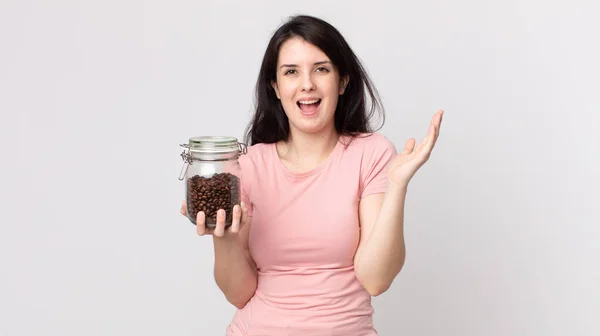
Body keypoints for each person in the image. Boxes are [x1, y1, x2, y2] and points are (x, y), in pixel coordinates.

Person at [181, 14, 443, 336]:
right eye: (291, 72)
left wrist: (397, 184)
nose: (307, 84)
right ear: (276, 87)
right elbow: (239, 293)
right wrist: (224, 239)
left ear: (342, 81)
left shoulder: (371, 154)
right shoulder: (248, 165)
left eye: (321, 69)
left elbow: (376, 279)